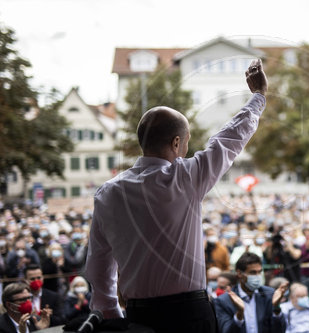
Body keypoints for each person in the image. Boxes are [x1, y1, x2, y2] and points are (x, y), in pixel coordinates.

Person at [85, 59, 268, 333]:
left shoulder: (108, 193)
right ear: (175, 143)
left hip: (138, 316)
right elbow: (228, 140)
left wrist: (112, 313)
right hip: (189, 316)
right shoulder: (186, 178)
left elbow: (99, 263)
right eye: (186, 140)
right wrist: (259, 96)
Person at [213, 252, 288, 333]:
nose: (257, 276)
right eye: (252, 272)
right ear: (239, 273)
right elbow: (225, 330)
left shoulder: (268, 294)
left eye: (259, 272)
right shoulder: (224, 300)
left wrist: (276, 308)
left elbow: (280, 330)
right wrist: (239, 315)